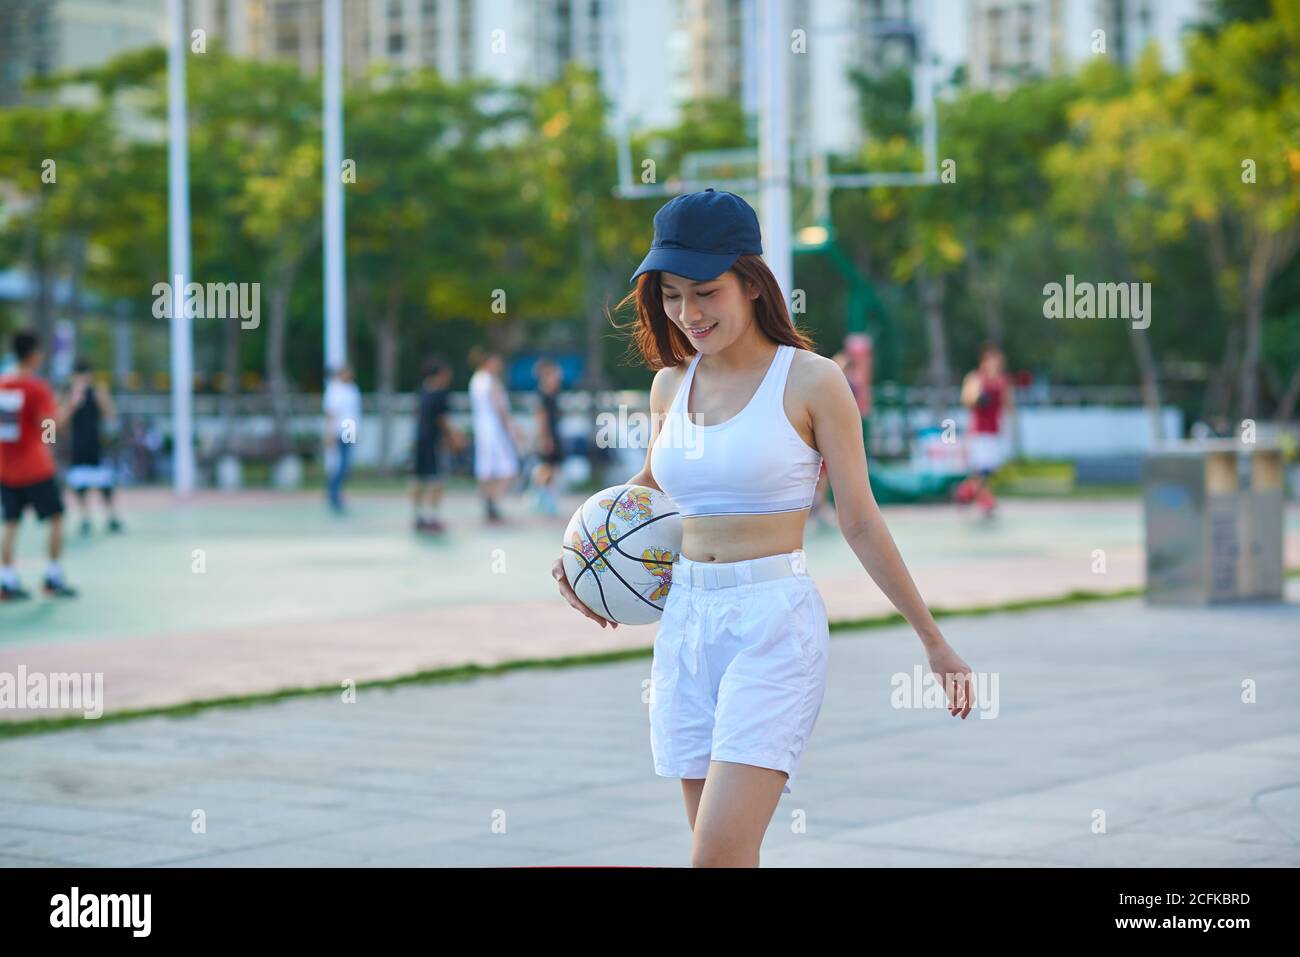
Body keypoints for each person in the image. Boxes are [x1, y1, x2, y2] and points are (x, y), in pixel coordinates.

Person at [550, 188, 974, 868]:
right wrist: (580, 561)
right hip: (686, 623)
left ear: (751, 281)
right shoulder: (669, 387)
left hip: (773, 624)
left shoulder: (812, 381)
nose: (687, 313)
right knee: (722, 857)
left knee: (715, 854)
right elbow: (647, 496)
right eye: (670, 295)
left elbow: (861, 521)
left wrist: (933, 640)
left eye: (706, 291)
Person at [0, 330, 77, 600]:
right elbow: (49, 431)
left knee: (10, 523)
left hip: (5, 468)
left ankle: (6, 580)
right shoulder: (36, 388)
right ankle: (53, 576)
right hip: (35, 468)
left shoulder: (2, 384)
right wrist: (68, 405)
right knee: (56, 518)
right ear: (33, 354)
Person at [956, 343, 1015, 518]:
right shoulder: (976, 378)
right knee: (983, 470)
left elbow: (1008, 405)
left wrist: (1010, 429)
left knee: (989, 470)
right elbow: (967, 399)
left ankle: (967, 493)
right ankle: (982, 499)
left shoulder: (1003, 381)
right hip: (979, 431)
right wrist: (978, 398)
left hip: (994, 431)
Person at [65, 361, 123, 535]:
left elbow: (111, 417)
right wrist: (72, 403)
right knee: (79, 486)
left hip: (97, 447)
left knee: (105, 485)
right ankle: (85, 517)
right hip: (77, 448)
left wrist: (102, 399)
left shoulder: (97, 393)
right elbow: (55, 422)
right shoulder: (68, 394)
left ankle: (111, 516)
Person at [467, 347, 521, 524]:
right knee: (508, 467)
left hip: (482, 430)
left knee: (486, 469)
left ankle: (489, 501)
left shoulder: (476, 380)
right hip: (494, 430)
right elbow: (500, 408)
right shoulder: (490, 381)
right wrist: (511, 429)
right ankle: (493, 501)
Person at [412, 356, 464, 533]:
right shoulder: (441, 394)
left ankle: (418, 516)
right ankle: (433, 517)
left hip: (420, 440)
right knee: (436, 480)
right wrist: (455, 438)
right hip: (433, 442)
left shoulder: (422, 391)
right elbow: (443, 419)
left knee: (419, 479)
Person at [322, 363, 361, 514]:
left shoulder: (352, 389)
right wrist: (329, 434)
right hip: (340, 429)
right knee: (341, 464)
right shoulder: (334, 389)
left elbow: (354, 412)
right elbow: (331, 413)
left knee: (346, 464)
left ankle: (336, 492)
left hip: (349, 428)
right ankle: (333, 493)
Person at [530, 358, 565, 517]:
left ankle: (543, 496)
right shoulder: (542, 395)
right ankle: (540, 496)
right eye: (555, 375)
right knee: (547, 467)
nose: (558, 378)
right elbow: (541, 418)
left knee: (552, 468)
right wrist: (545, 438)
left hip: (553, 434)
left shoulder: (553, 394)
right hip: (548, 436)